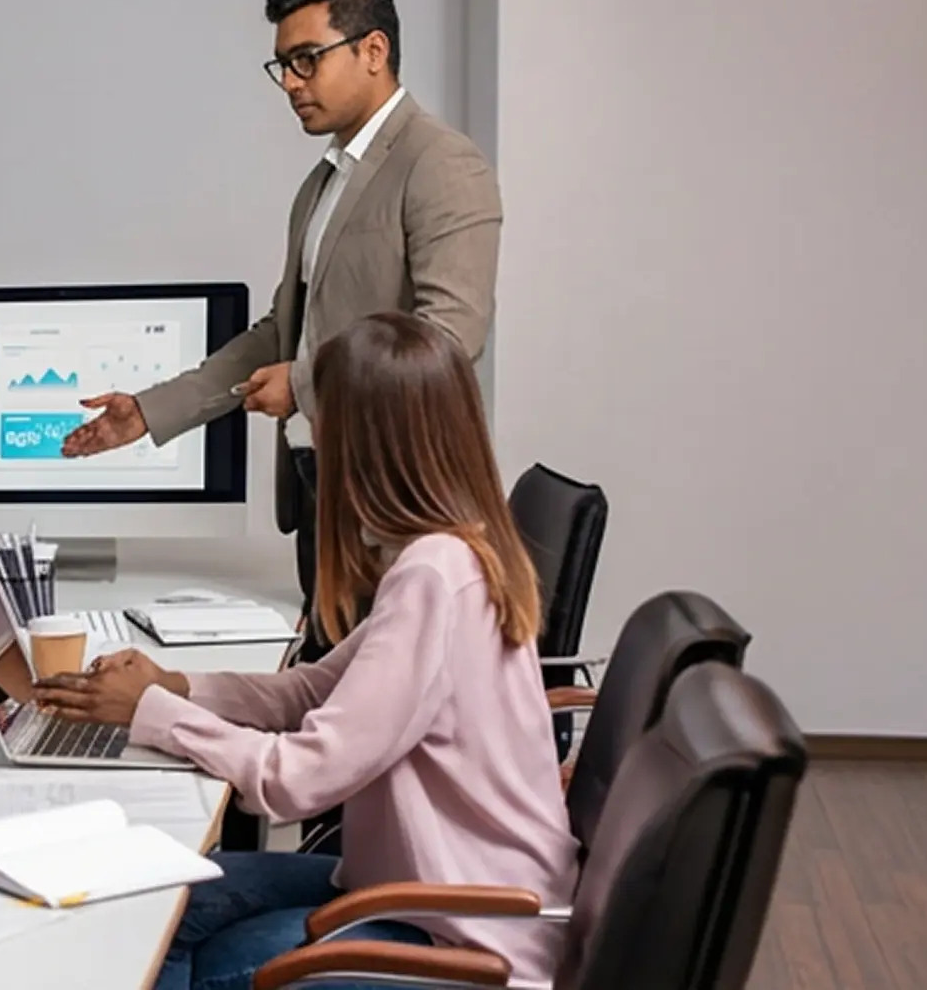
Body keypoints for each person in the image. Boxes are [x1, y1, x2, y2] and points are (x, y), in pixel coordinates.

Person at [34, 314, 572, 990]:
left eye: (324, 420)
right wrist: (172, 683)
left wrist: (154, 713)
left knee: (171, 949)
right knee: (157, 901)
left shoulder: (433, 576)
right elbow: (311, 692)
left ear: (368, 440)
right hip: (430, 887)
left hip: (463, 931)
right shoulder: (454, 550)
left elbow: (296, 781)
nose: (313, 437)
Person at [58, 0, 500, 638]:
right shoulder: (324, 182)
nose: (290, 83)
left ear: (372, 51)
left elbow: (448, 339)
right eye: (282, 66)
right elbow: (280, 330)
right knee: (322, 689)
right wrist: (147, 413)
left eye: (305, 60)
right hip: (322, 486)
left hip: (400, 499)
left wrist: (300, 384)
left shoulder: (440, 163)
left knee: (365, 725)